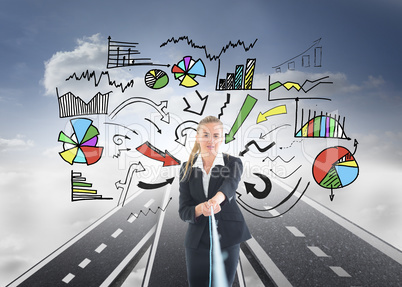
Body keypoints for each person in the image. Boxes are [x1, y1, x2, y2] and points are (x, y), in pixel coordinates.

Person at [179, 115, 251, 287]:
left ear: (222, 138)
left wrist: (215, 201)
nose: (211, 140)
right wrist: (200, 209)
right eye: (205, 135)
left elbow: (230, 185)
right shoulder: (186, 168)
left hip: (228, 235)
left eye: (216, 135)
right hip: (197, 239)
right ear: (197, 137)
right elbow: (184, 210)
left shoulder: (233, 163)